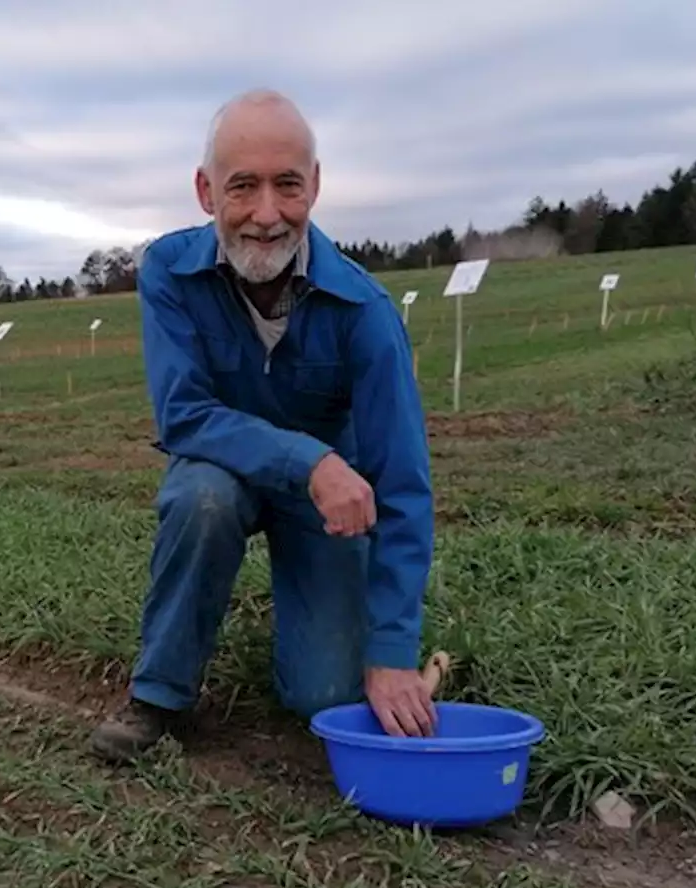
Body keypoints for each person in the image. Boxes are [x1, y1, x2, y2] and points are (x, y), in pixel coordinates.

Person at [88, 88, 436, 763]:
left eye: (288, 186)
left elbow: (404, 482)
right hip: (230, 472)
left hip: (329, 507)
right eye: (242, 187)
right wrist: (309, 460)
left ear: (316, 186)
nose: (267, 215)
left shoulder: (364, 309)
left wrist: (392, 651)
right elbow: (183, 415)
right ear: (205, 190)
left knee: (325, 696)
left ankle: (315, 624)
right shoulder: (168, 271)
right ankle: (159, 694)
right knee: (202, 497)